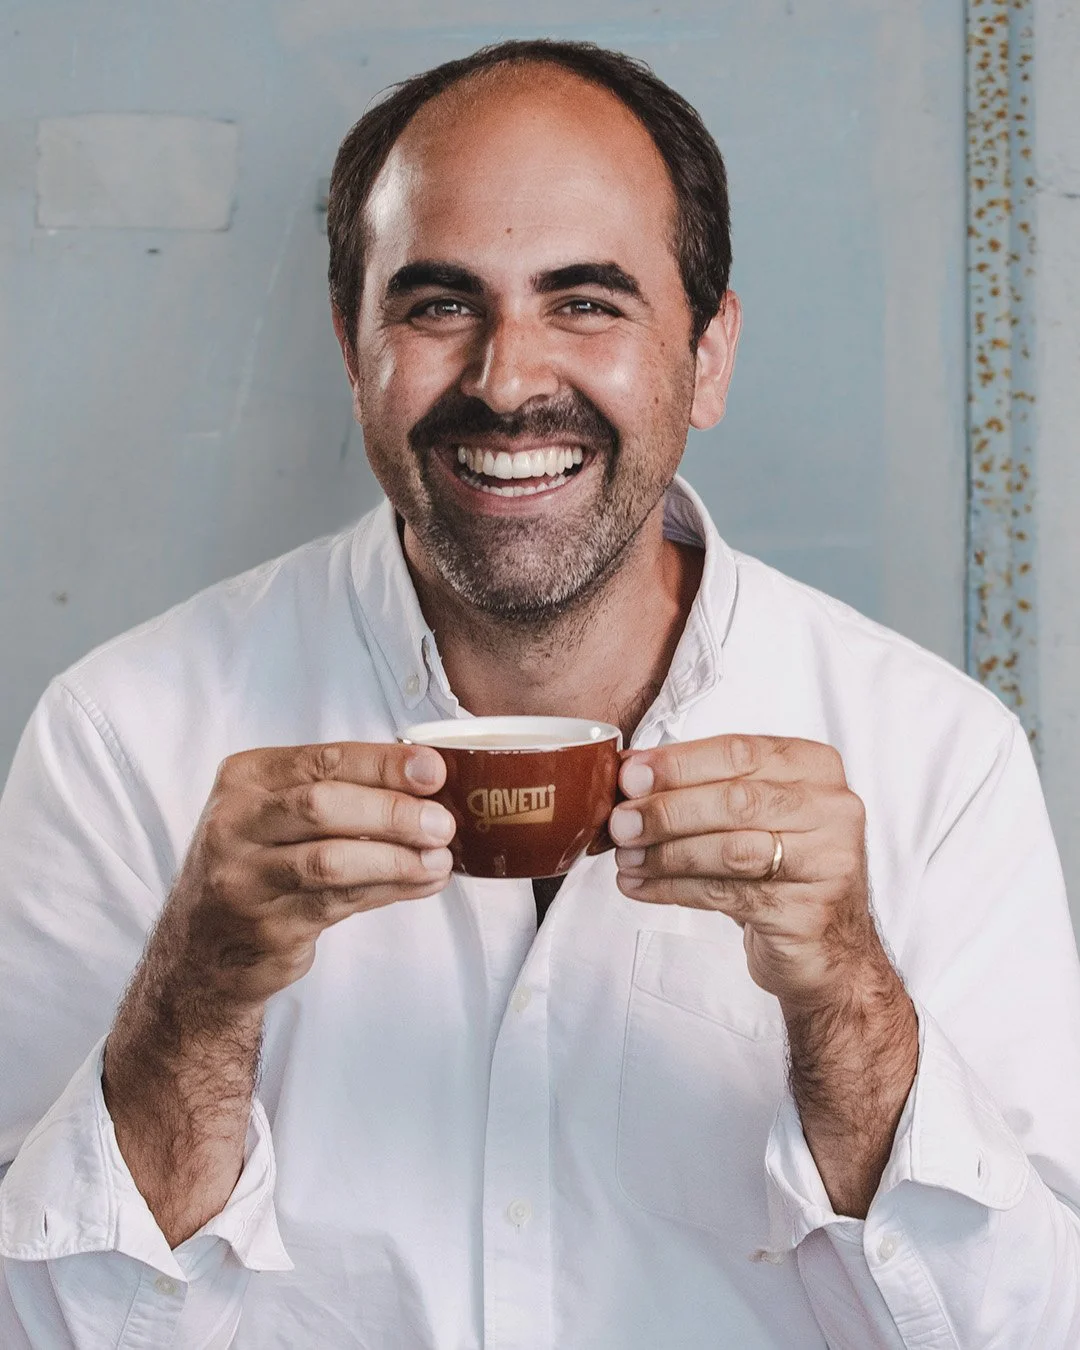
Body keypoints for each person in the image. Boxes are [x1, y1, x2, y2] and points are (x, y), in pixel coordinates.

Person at [1, 37, 1079, 1349]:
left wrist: (849, 992)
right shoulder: (122, 739)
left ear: (709, 354)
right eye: (438, 305)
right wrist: (195, 994)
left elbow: (1028, 1328)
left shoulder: (935, 756)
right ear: (352, 348)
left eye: (587, 303)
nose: (507, 381)